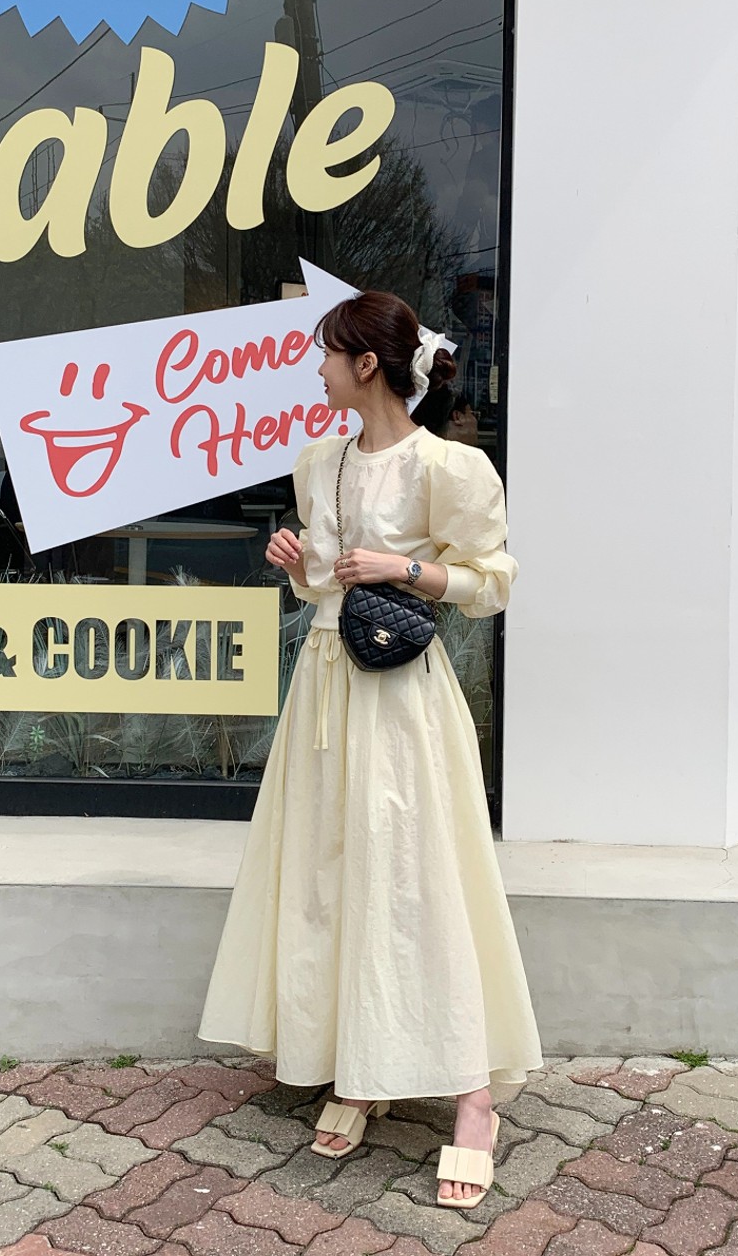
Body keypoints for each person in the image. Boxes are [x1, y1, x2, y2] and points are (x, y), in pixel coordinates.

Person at [197, 289, 543, 1209]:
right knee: (331, 874)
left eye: (327, 352)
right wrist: (297, 564)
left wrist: (405, 568)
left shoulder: (450, 467)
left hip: (399, 698)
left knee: (417, 877)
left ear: (366, 364)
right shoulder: (321, 460)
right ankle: (361, 1069)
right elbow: (323, 581)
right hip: (324, 686)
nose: (316, 369)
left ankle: (473, 1097)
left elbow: (493, 582)